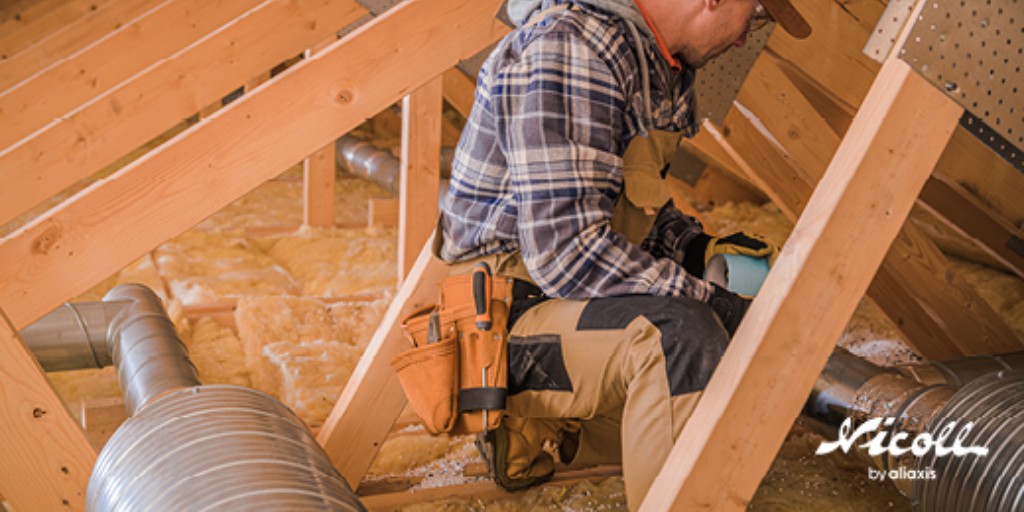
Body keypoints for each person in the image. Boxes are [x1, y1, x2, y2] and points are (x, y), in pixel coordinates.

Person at [436, 0, 810, 508]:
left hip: (560, 304)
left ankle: (550, 427)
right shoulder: (574, 47)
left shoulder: (654, 62)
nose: (746, 38)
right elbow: (567, 252)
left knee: (742, 405)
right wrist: (716, 304)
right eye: (756, 14)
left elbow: (627, 210)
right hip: (501, 327)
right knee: (680, 338)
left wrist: (696, 248)